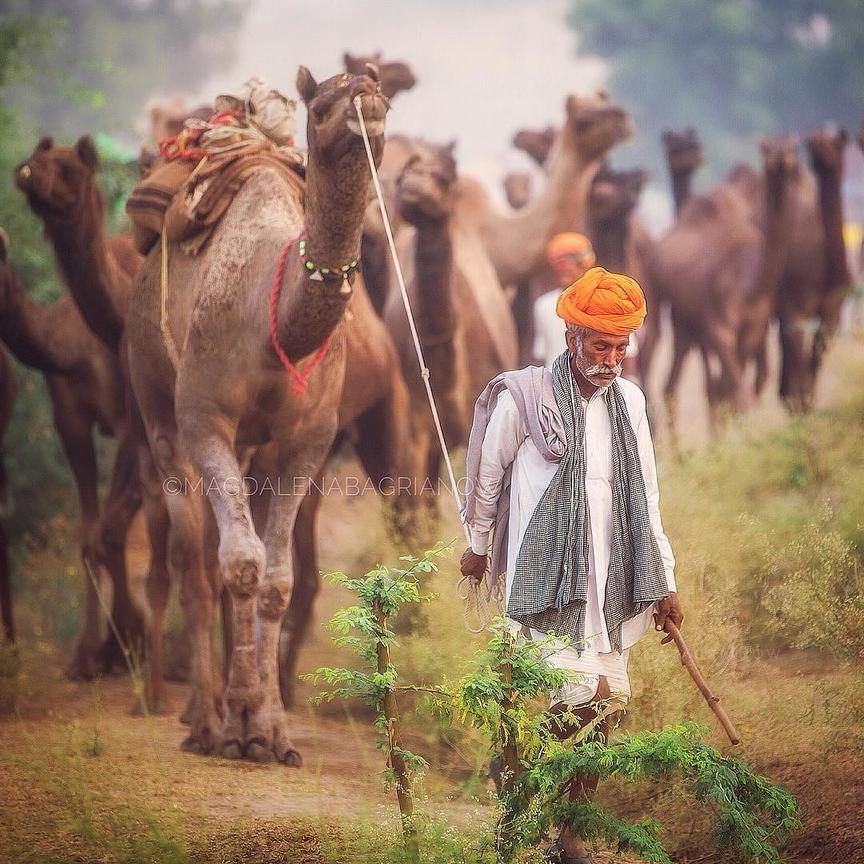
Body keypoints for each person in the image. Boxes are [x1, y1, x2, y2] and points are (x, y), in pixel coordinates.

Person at [461, 266, 683, 864]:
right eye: (598, 345)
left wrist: (663, 582)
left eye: (619, 346)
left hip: (612, 583)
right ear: (571, 338)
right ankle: (548, 817)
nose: (609, 358)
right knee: (583, 697)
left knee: (606, 704)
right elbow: (487, 476)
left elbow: (648, 498)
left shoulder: (632, 402)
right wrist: (478, 545)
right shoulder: (524, 397)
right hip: (543, 583)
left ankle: (554, 814)